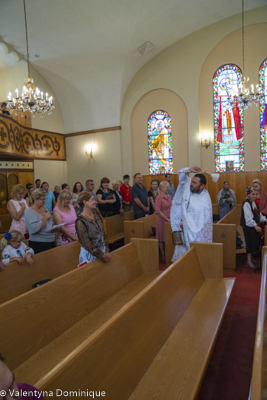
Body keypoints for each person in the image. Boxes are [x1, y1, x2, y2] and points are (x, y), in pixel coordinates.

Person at [170, 166, 213, 262]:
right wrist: (189, 170)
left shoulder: (205, 198)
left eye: (194, 183)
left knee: (196, 260)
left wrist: (186, 225)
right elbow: (181, 174)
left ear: (202, 186)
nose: (191, 184)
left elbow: (204, 221)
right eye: (191, 181)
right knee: (182, 261)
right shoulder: (187, 189)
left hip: (198, 235)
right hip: (185, 231)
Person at [75, 192, 111, 265]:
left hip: (103, 251)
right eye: (92, 200)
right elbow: (86, 243)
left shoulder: (96, 216)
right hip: (90, 256)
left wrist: (106, 250)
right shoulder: (80, 221)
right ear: (85, 202)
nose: (95, 202)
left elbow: (103, 233)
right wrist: (102, 255)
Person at [240, 186, 266, 270]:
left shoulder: (253, 202)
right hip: (248, 227)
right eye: (253, 194)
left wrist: (265, 219)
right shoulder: (247, 203)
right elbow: (248, 218)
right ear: (248, 194)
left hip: (253, 226)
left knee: (254, 242)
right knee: (249, 243)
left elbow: (258, 214)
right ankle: (248, 261)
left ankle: (251, 259)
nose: (254, 196)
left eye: (256, 194)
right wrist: (255, 225)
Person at [24, 189, 56, 254]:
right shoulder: (29, 211)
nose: (44, 201)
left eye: (45, 199)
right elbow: (34, 229)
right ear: (35, 199)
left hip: (51, 240)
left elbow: (50, 223)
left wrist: (55, 228)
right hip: (38, 243)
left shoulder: (45, 208)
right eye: (42, 199)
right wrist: (45, 217)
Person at [155, 181, 172, 261]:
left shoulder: (169, 196)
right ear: (162, 188)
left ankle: (169, 252)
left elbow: (171, 207)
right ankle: (162, 254)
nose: (168, 188)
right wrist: (167, 219)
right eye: (167, 187)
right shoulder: (159, 198)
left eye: (168, 187)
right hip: (162, 220)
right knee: (161, 237)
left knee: (168, 236)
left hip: (169, 218)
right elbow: (158, 211)